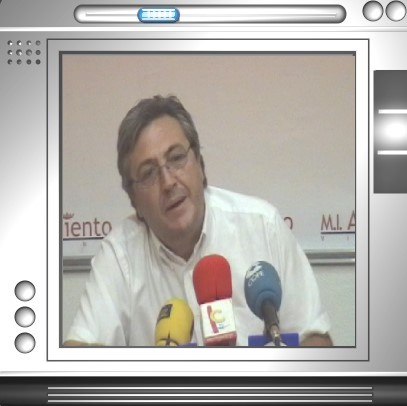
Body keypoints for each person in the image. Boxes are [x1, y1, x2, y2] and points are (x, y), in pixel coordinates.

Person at [64, 95, 332, 347]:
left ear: (201, 165)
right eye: (149, 173)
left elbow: (315, 339)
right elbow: (77, 353)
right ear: (134, 201)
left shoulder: (263, 227)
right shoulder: (119, 256)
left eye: (176, 159)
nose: (168, 182)